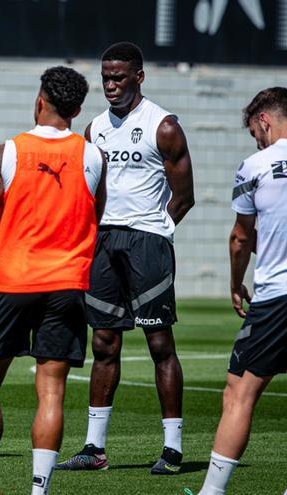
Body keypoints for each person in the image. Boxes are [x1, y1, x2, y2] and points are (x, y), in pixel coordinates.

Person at [56, 41, 195, 475]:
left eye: (119, 78)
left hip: (147, 243)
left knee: (159, 344)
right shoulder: (94, 128)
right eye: (106, 78)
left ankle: (172, 449)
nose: (111, 86)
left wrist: (158, 231)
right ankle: (94, 449)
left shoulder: (164, 125)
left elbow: (184, 196)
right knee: (103, 343)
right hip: (104, 242)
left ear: (139, 76)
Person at [0, 66, 105, 495]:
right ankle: (39, 491)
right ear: (78, 109)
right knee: (51, 392)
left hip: (12, 282)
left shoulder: (8, 151)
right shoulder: (92, 155)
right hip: (67, 284)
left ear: (39, 100)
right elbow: (95, 216)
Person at [191, 87, 287, 495]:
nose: (255, 139)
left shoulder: (255, 165)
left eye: (254, 132)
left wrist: (235, 283)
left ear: (263, 120)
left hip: (277, 295)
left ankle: (212, 493)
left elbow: (239, 238)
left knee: (239, 393)